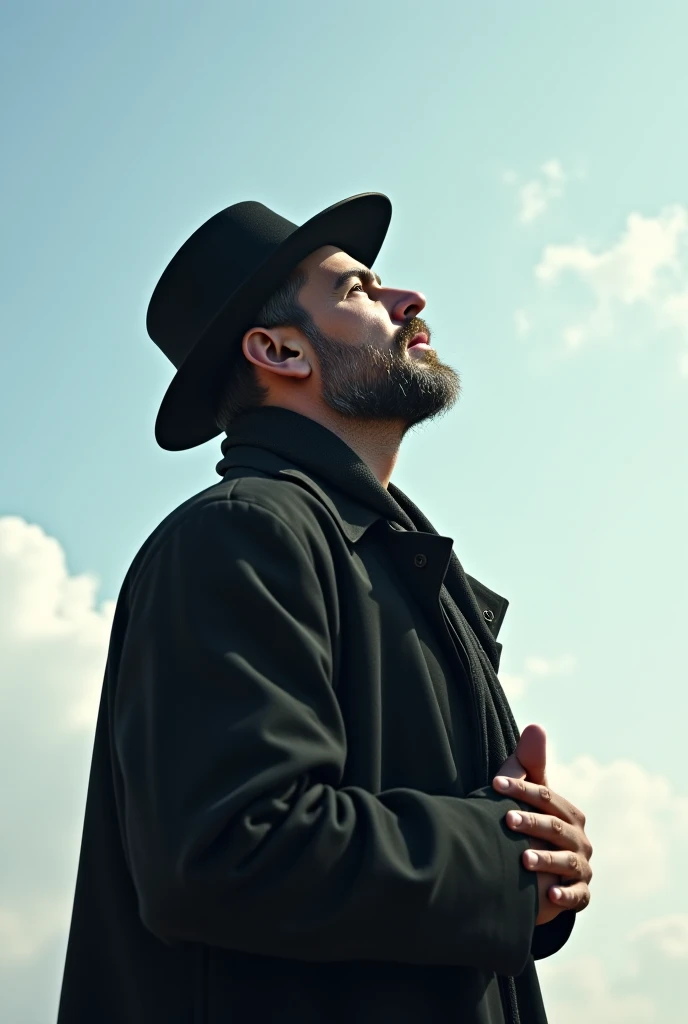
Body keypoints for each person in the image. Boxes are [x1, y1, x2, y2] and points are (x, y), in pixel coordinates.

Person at [57, 192, 592, 1024]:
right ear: (278, 351)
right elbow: (232, 848)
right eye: (357, 289)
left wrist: (539, 873)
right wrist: (499, 860)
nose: (407, 301)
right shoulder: (240, 537)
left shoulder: (390, 561)